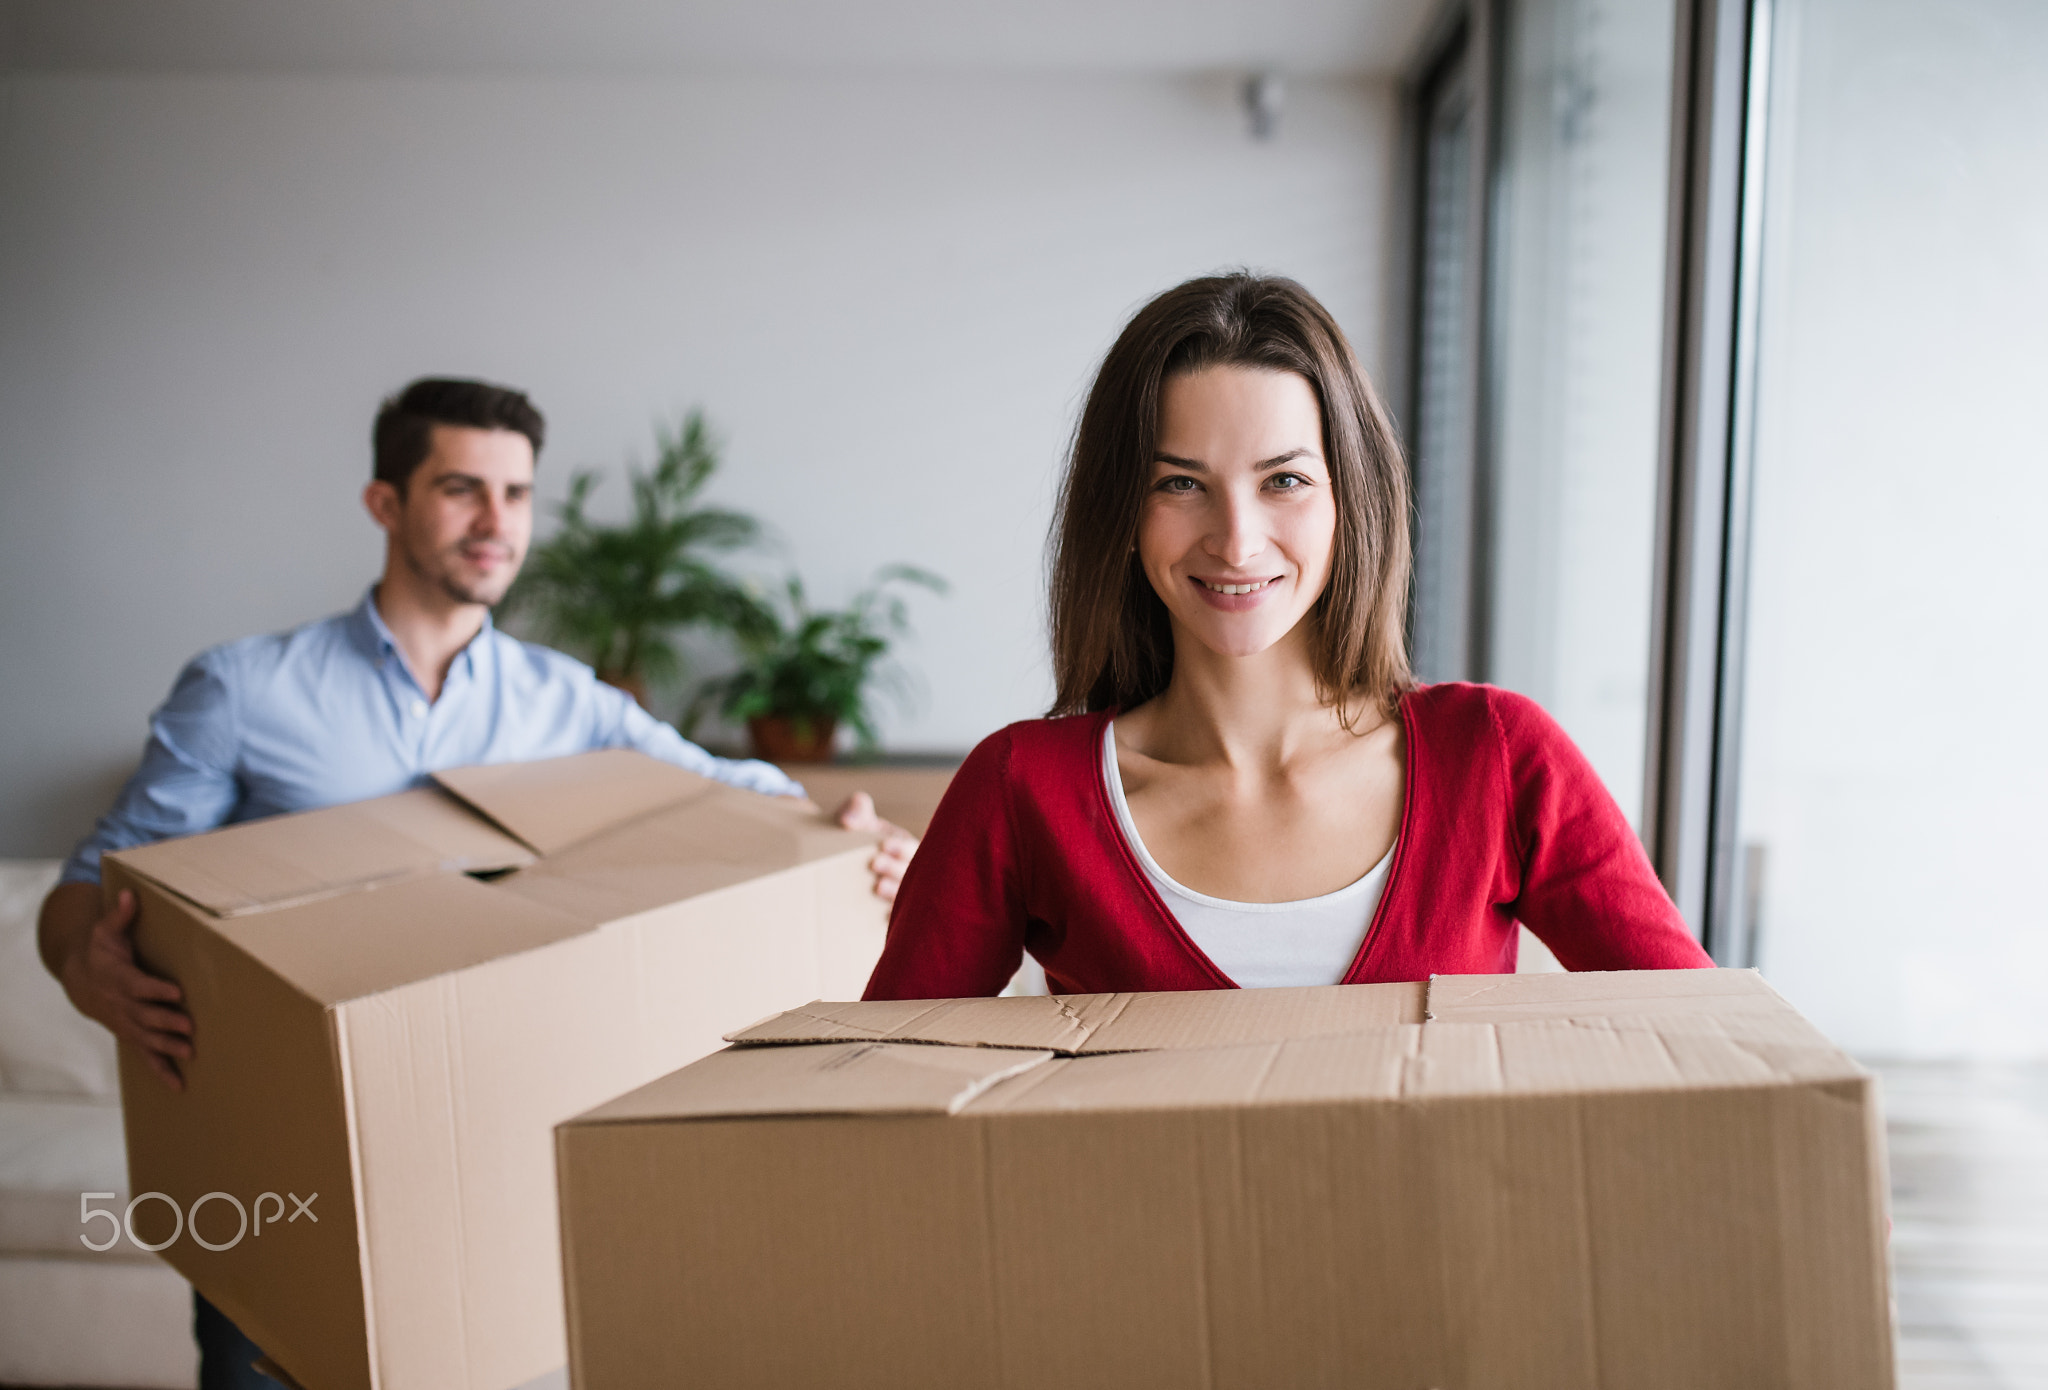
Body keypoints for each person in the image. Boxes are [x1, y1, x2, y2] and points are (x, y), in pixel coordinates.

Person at [37, 377, 917, 1389]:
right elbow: (85, 882)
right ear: (385, 502)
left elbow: (740, 791)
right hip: (278, 1163)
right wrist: (79, 960)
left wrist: (851, 828)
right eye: (461, 489)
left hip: (471, 1149)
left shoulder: (565, 702)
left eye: (516, 493)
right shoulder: (245, 690)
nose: (497, 522)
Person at [864, 273, 1709, 1002]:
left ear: (1353, 499)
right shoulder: (1022, 792)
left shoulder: (1497, 760)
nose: (1236, 541)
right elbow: (876, 1097)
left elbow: (1710, 1048)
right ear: (1121, 511)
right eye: (1180, 484)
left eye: (1285, 480)